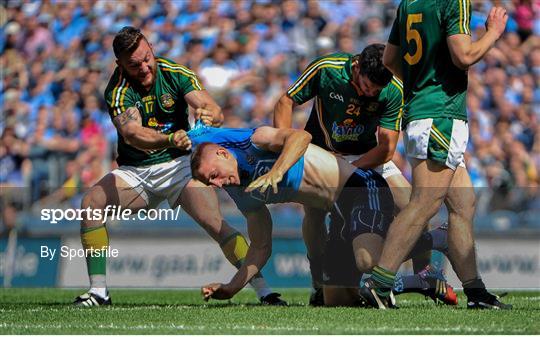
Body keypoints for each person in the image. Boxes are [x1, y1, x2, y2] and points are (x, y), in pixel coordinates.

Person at [74, 27, 285, 307]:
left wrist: (212, 113)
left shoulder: (175, 73)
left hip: (181, 167)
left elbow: (210, 107)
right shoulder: (118, 90)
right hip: (137, 171)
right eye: (135, 65)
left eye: (147, 58)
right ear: (120, 65)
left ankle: (264, 292)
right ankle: (99, 292)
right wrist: (168, 138)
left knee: (216, 224)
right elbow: (133, 134)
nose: (145, 67)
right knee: (91, 203)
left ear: (151, 47)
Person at [187, 124, 454, 304]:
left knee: (365, 262)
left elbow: (301, 137)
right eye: (211, 183)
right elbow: (260, 247)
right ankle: (424, 279)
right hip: (337, 212)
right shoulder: (242, 192)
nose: (217, 184)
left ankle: (439, 241)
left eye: (214, 175)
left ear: (222, 153)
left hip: (359, 188)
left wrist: (277, 171)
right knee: (337, 298)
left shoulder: (253, 142)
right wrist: (232, 288)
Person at [360, 1, 512, 309]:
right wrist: (493, 33)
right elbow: (464, 56)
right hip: (441, 115)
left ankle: (476, 291)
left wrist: (419, 84)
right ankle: (380, 282)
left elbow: (389, 58)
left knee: (463, 202)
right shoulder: (454, 1)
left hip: (425, 112)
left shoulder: (409, 2)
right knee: (425, 202)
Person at [273, 43, 434, 304]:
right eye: (365, 86)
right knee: (313, 215)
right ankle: (317, 280)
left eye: (375, 91)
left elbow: (386, 149)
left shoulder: (392, 89)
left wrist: (352, 169)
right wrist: (285, 148)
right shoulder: (327, 69)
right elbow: (285, 101)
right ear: (356, 66)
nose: (368, 94)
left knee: (414, 208)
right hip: (323, 152)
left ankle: (424, 277)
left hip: (369, 157)